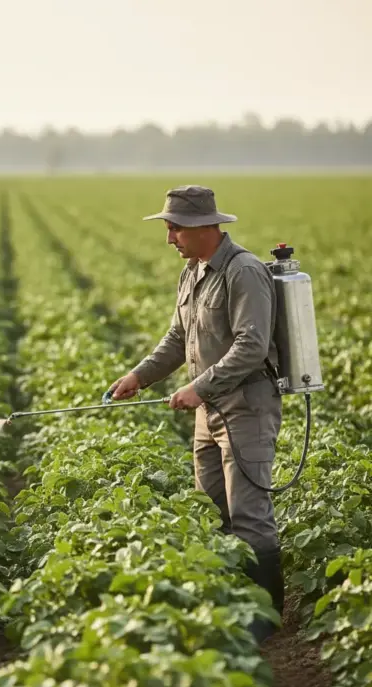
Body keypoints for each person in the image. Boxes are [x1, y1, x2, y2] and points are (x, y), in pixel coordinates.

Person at [106, 184, 284, 643]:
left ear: (203, 227)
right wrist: (139, 377)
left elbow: (251, 345)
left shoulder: (243, 272)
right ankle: (233, 601)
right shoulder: (192, 272)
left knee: (249, 515)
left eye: (173, 229)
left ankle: (266, 620)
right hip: (211, 413)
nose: (169, 239)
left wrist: (197, 388)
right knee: (212, 509)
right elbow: (176, 338)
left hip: (246, 407)